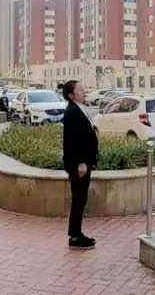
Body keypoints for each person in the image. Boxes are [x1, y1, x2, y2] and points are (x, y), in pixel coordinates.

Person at [61, 80, 98, 250]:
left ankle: (76, 233)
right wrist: (81, 162)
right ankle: (75, 236)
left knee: (81, 199)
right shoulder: (72, 113)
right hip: (78, 164)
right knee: (79, 199)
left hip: (83, 161)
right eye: (80, 89)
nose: (84, 91)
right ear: (71, 95)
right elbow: (73, 141)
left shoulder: (79, 108)